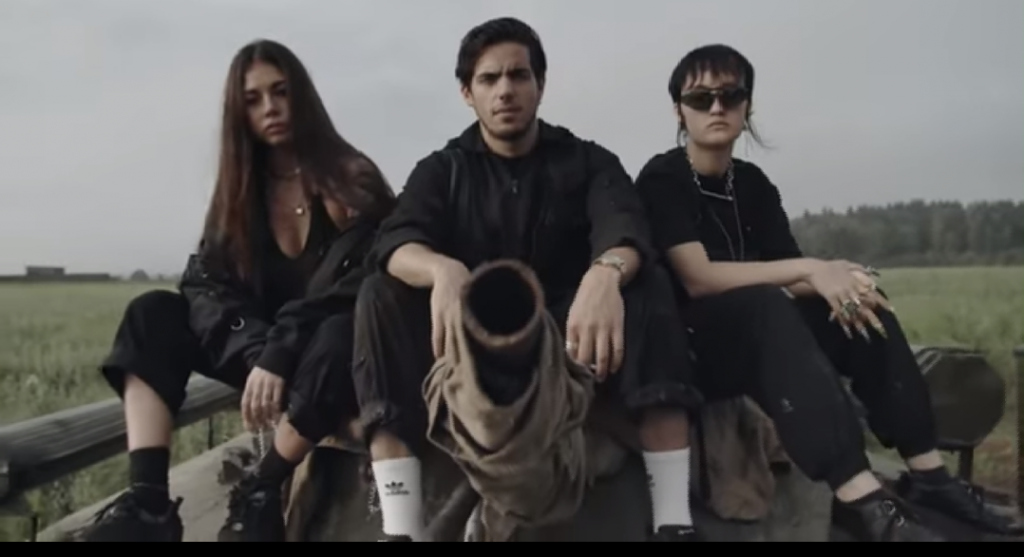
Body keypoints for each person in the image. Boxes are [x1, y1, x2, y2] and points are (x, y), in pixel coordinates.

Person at [634, 43, 1023, 542]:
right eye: (700, 97)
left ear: (747, 105)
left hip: (755, 332)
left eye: (730, 95)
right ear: (679, 111)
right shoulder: (662, 177)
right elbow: (698, 277)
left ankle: (930, 475)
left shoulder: (752, 184)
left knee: (856, 305)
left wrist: (840, 279)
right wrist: (812, 268)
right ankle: (865, 500)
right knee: (766, 305)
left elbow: (796, 277)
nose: (716, 107)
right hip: (690, 347)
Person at [351, 17, 700, 542]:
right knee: (379, 294)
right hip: (465, 349)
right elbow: (395, 244)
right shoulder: (443, 170)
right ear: (467, 93)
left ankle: (674, 520)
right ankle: (402, 529)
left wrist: (605, 273)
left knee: (646, 283)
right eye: (489, 79)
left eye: (518, 75)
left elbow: (626, 227)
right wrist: (441, 269)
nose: (505, 90)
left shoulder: (587, 160)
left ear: (540, 84)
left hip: (569, 345)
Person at [82, 39, 396, 543]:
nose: (270, 107)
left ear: (302, 95)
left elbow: (370, 280)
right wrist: (258, 352)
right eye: (253, 99)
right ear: (238, 112)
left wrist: (283, 350)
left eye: (281, 92)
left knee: (343, 334)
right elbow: (204, 285)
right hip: (260, 359)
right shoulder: (239, 189)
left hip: (328, 357)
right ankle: (149, 503)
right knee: (151, 313)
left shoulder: (349, 177)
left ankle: (261, 488)